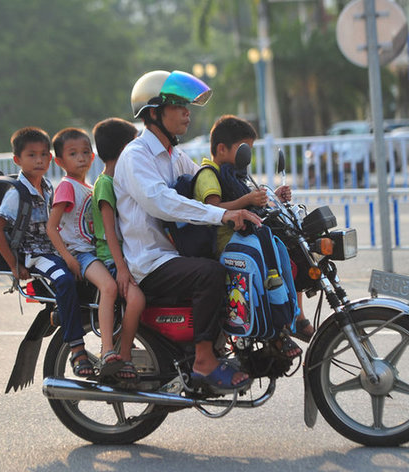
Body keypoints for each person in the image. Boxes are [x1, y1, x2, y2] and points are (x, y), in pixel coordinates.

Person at [113, 70, 261, 395]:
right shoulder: (137, 156)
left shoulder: (175, 155)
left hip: (174, 253)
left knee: (238, 263)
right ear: (153, 112)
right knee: (210, 273)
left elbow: (206, 181)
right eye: (178, 106)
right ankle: (204, 360)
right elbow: (163, 203)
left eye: (186, 106)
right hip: (150, 261)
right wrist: (222, 214)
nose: (187, 113)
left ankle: (230, 344)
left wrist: (261, 198)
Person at [194, 114, 313, 348]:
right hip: (228, 244)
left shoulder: (235, 176)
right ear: (221, 148)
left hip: (245, 237)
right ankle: (275, 327)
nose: (246, 158)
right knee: (272, 261)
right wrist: (248, 199)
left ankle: (294, 317)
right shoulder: (209, 175)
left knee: (292, 250)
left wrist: (273, 198)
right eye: (243, 150)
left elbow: (248, 203)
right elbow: (212, 209)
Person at [0, 127, 89, 376]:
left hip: (53, 249)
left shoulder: (46, 186)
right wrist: (14, 265)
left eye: (44, 155)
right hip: (35, 254)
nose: (39, 161)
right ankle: (77, 349)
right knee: (65, 279)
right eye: (32, 155)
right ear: (17, 160)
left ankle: (61, 315)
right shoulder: (17, 194)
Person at [46, 127, 130, 381]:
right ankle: (107, 349)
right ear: (59, 161)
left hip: (90, 252)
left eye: (85, 152)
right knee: (109, 287)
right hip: (80, 255)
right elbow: (51, 227)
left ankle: (119, 344)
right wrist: (69, 258)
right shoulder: (67, 187)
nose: (81, 158)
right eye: (73, 154)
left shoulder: (89, 187)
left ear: (93, 157)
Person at [90, 118, 146, 381]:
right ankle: (119, 354)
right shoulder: (105, 183)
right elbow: (109, 231)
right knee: (136, 298)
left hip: (127, 254)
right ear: (125, 149)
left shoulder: (120, 180)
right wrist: (121, 268)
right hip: (113, 257)